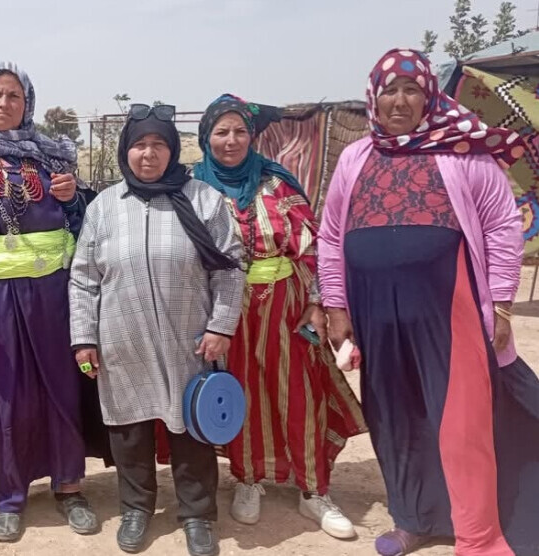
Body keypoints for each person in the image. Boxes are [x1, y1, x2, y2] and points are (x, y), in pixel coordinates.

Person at [318, 48, 539, 556]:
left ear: (429, 97)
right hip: (374, 311)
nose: (399, 101)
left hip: (448, 306)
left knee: (461, 418)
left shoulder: (462, 153)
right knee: (394, 415)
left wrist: (501, 304)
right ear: (374, 98)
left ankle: (477, 533)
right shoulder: (356, 157)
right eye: (390, 91)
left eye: (411, 90)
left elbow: (502, 228)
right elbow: (330, 236)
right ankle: (413, 519)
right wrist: (336, 305)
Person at [0, 61, 106, 543]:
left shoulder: (52, 156)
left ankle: (69, 487)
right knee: (7, 396)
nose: (4, 103)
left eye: (14, 95)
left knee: (63, 388)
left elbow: (79, 226)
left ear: (28, 103)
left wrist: (71, 200)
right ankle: (9, 497)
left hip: (56, 294)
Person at [68, 103, 245, 556]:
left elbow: (229, 268)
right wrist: (84, 338)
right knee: (128, 431)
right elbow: (83, 278)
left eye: (159, 144)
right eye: (140, 144)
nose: (149, 154)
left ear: (173, 150)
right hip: (122, 340)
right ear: (126, 150)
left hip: (190, 341)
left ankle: (197, 515)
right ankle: (135, 509)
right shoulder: (105, 206)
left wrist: (221, 326)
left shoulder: (203, 200)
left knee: (190, 428)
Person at [192, 94, 366, 539]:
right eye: (221, 132)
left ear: (252, 136)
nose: (231, 140)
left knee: (300, 391)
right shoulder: (193, 188)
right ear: (206, 137)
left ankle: (313, 489)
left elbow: (314, 245)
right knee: (241, 390)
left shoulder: (277, 182)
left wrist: (317, 302)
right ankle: (248, 479)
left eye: (240, 131)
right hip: (226, 310)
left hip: (288, 306)